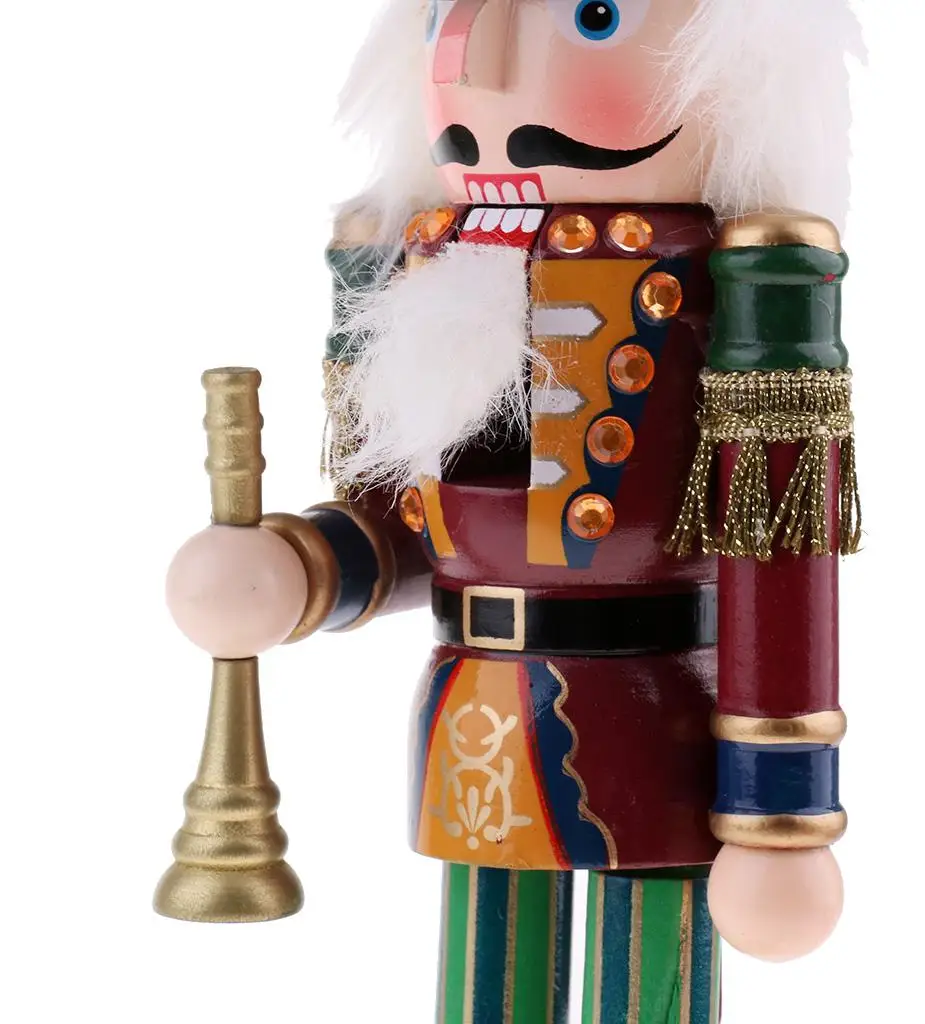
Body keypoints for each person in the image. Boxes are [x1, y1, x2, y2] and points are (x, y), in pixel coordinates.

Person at [165, 1, 865, 1020]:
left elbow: (777, 560)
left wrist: (780, 807)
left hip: (658, 719)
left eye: (593, 15)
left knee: (648, 982)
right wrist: (295, 570)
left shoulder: (742, 277)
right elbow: (408, 524)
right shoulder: (423, 258)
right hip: (474, 715)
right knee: (487, 980)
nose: (479, 67)